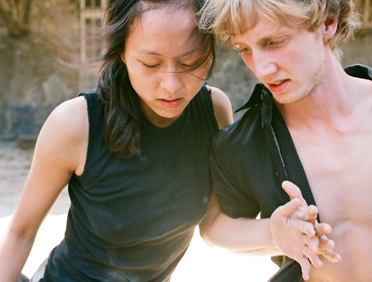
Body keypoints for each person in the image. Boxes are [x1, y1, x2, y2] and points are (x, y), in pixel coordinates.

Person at [0, 0, 233, 281]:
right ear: (121, 51)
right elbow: (20, 233)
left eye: (190, 62)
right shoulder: (75, 124)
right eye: (150, 63)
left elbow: (215, 225)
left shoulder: (214, 112)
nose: (172, 85)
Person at [198, 0, 372, 281]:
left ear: (327, 23)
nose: (260, 69)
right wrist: (272, 232)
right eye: (244, 49)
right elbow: (213, 229)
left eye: (275, 42)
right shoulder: (240, 144)